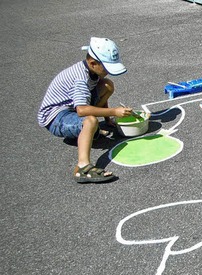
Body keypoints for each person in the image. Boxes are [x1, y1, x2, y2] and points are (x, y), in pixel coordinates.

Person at [38, 37, 133, 183]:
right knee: (90, 120)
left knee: (107, 85)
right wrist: (114, 111)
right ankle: (82, 167)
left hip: (70, 108)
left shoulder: (91, 71)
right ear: (93, 63)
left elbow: (94, 92)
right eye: (106, 67)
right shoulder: (81, 79)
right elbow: (82, 110)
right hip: (55, 118)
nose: (107, 71)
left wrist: (108, 120)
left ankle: (89, 130)